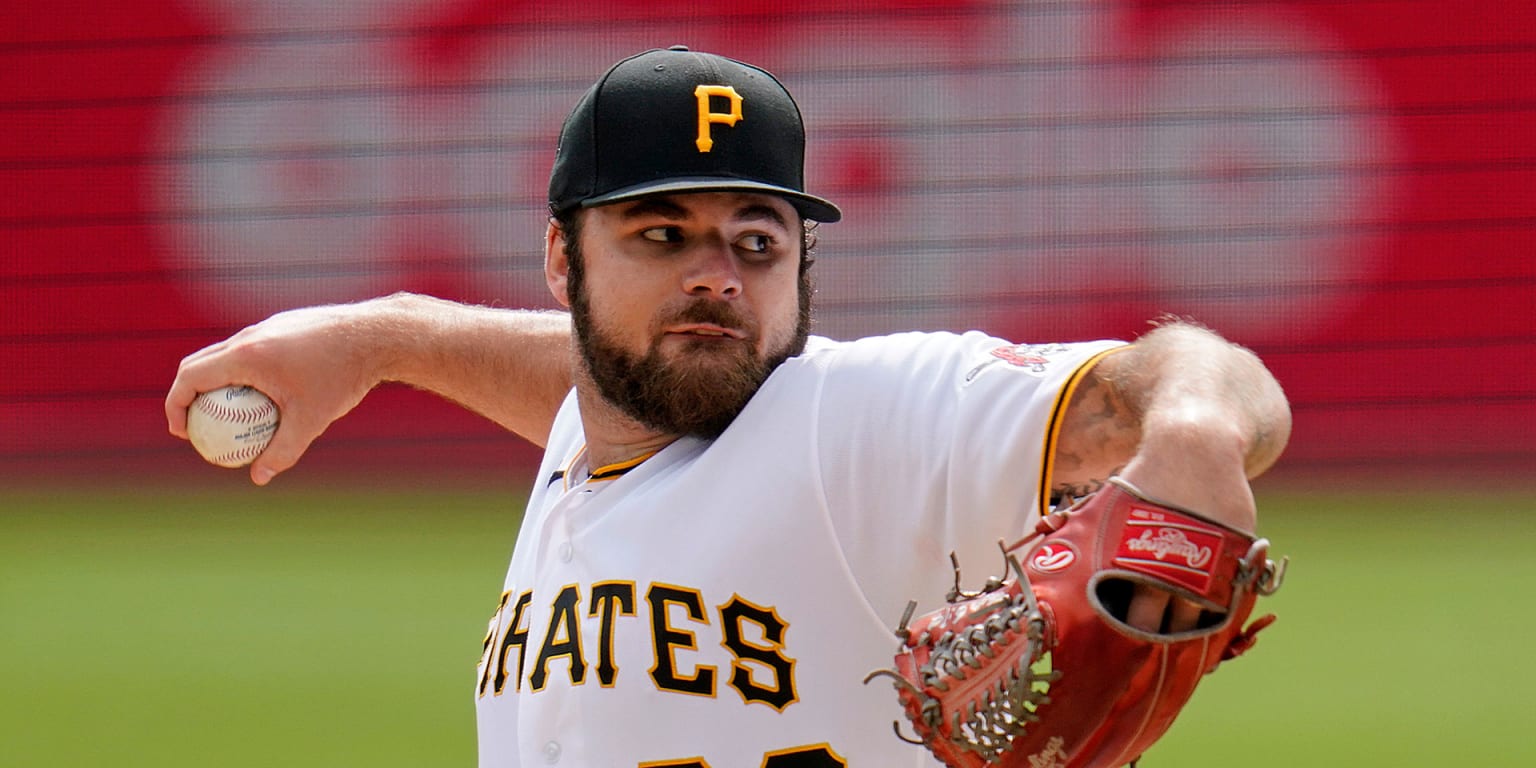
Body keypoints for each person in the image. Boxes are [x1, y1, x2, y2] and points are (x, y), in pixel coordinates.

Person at [165, 47, 1290, 767]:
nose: (717, 275)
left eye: (757, 240)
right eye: (662, 234)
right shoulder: (604, 425)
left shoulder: (858, 420)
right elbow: (591, 381)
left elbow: (1195, 385)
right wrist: (380, 338)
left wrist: (1191, 430)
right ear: (563, 262)